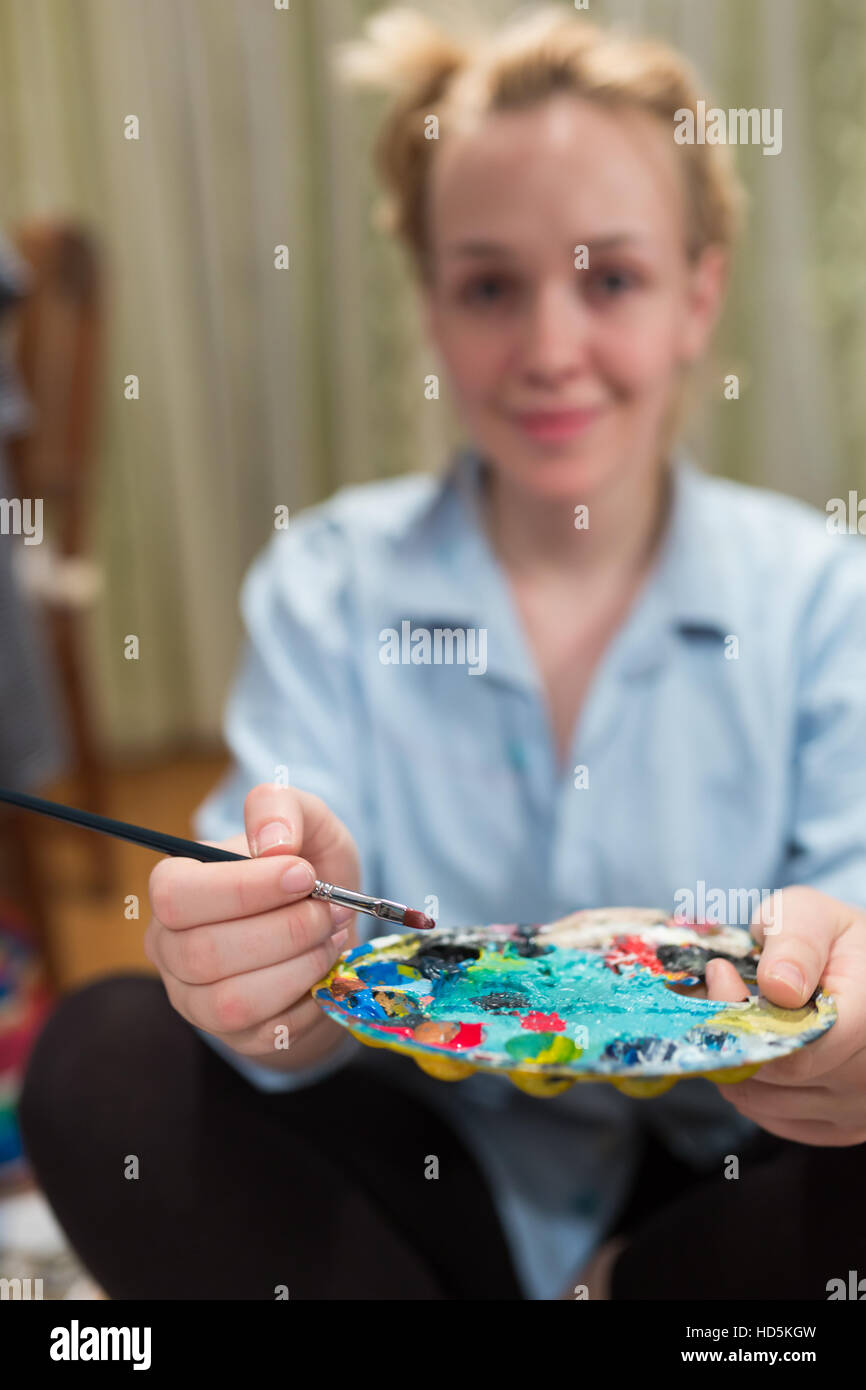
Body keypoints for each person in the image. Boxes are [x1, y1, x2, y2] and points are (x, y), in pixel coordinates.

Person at [19, 7, 866, 1300]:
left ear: (698, 295)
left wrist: (845, 1007)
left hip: (730, 1199)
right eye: (486, 286)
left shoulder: (818, 594)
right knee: (104, 1051)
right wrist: (268, 977)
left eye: (611, 279)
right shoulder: (327, 584)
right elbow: (264, 982)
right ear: (426, 303)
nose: (547, 348)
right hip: (430, 1198)